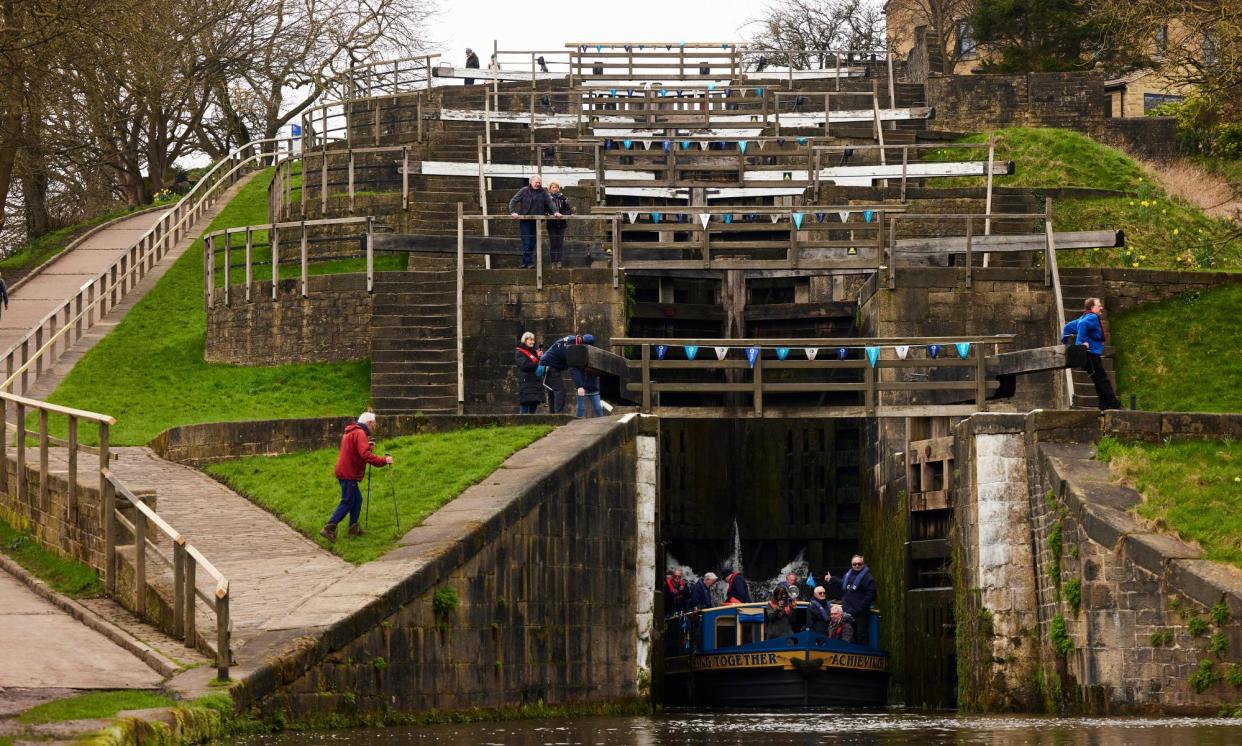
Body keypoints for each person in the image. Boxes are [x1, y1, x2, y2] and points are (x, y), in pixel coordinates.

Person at [321, 412, 392, 541]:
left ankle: (353, 529)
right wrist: (383, 461)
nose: (373, 428)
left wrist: (367, 447)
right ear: (369, 423)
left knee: (357, 500)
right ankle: (329, 528)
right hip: (348, 473)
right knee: (348, 501)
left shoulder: (352, 431)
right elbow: (364, 455)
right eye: (374, 425)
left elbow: (357, 451)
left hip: (346, 471)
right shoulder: (359, 433)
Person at [1061, 297, 1121, 411]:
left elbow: (1067, 328)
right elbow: (1083, 325)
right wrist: (1080, 345)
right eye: (1099, 306)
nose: (1101, 307)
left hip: (1089, 355)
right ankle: (1113, 404)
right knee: (1102, 379)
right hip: (1091, 354)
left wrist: (1067, 340)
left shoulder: (1084, 316)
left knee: (1098, 379)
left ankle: (1104, 405)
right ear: (1093, 308)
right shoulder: (1092, 317)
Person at [508, 176, 559, 269]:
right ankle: (528, 262)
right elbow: (513, 201)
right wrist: (512, 212)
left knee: (532, 242)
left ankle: (526, 262)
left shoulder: (543, 192)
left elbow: (549, 202)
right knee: (526, 242)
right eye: (536, 182)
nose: (538, 184)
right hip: (525, 221)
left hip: (537, 221)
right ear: (531, 182)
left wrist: (555, 211)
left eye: (539, 182)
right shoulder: (524, 190)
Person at [539, 333, 594, 414]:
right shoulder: (574, 348)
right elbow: (573, 368)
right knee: (560, 390)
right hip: (550, 366)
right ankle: (558, 415)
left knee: (552, 392)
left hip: (545, 363)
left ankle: (552, 415)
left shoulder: (572, 339)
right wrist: (580, 386)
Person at [841, 555, 877, 644]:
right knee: (848, 636)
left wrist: (860, 608)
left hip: (860, 614)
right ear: (852, 565)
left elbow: (871, 595)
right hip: (848, 611)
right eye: (854, 564)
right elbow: (843, 586)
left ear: (863, 564)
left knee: (861, 635)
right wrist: (832, 579)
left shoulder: (868, 578)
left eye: (859, 564)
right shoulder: (849, 575)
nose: (857, 566)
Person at [546, 181, 573, 268]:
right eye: (553, 187)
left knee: (560, 243)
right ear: (549, 189)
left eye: (556, 187)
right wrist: (549, 214)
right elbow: (544, 210)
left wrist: (562, 213)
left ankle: (559, 262)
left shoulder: (563, 198)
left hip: (561, 224)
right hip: (551, 224)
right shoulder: (547, 199)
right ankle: (553, 262)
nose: (555, 189)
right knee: (553, 243)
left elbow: (569, 210)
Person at [514, 331, 543, 414]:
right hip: (526, 382)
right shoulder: (519, 352)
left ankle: (531, 425)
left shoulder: (532, 352)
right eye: (530, 340)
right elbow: (525, 365)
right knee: (525, 405)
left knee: (533, 404)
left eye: (533, 340)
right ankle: (522, 425)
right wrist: (537, 362)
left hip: (534, 382)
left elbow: (535, 363)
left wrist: (538, 357)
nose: (533, 342)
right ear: (525, 340)